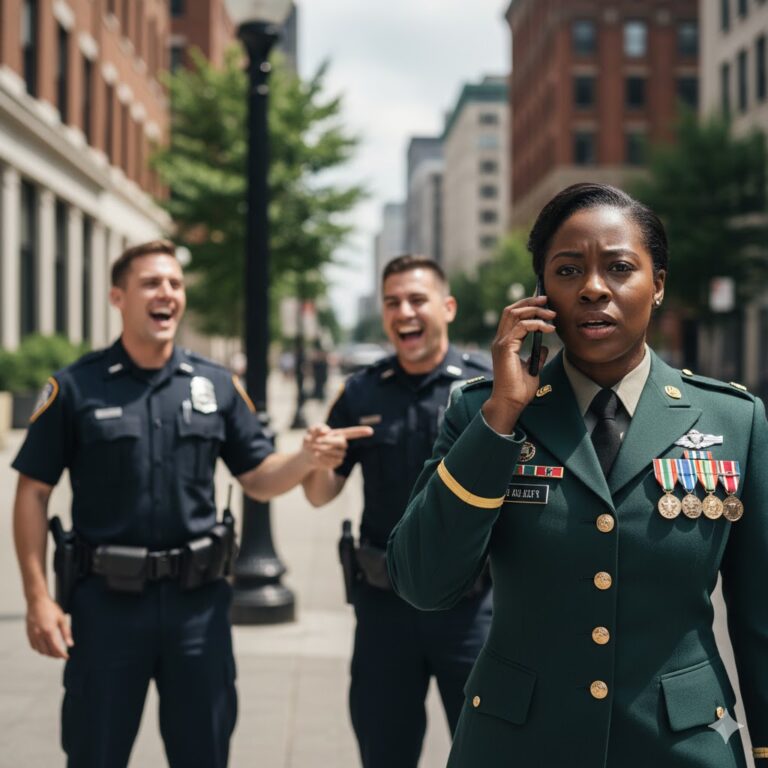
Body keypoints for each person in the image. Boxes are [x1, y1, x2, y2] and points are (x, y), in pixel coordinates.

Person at [387, 184, 768, 767]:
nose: (593, 287)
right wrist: (500, 418)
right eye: (568, 270)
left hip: (679, 747)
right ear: (541, 295)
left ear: (658, 284)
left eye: (619, 267)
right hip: (518, 745)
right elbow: (421, 581)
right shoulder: (482, 411)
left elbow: (760, 615)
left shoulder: (733, 419)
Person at [11, 239, 366, 768]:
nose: (167, 294)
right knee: (94, 753)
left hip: (197, 610)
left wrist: (306, 458)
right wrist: (39, 599)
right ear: (118, 296)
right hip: (105, 608)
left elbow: (259, 479)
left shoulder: (217, 385)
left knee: (204, 753)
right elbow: (31, 493)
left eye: (175, 284)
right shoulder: (75, 388)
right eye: (152, 283)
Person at [301, 254, 493, 768]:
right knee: (384, 750)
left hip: (472, 609)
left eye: (416, 299)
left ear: (447, 307)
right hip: (384, 609)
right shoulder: (361, 390)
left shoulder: (489, 389)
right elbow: (321, 493)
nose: (404, 311)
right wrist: (316, 462)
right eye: (392, 302)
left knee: (489, 748)